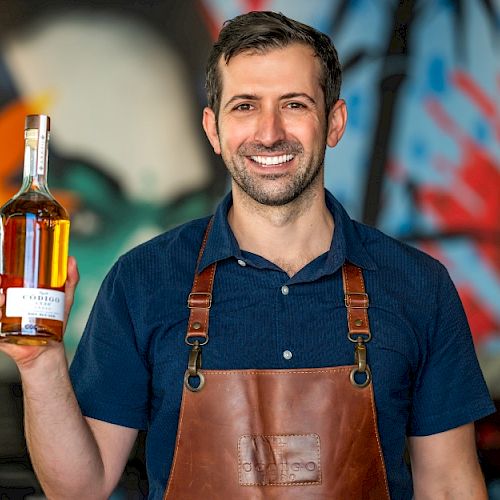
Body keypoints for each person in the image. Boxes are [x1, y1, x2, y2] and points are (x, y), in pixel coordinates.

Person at [0, 10, 495, 500]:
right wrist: (40, 366)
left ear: (335, 122)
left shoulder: (417, 283)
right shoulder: (143, 279)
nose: (269, 131)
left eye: (295, 104)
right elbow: (80, 489)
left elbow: (451, 487)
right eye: (245, 106)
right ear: (213, 130)